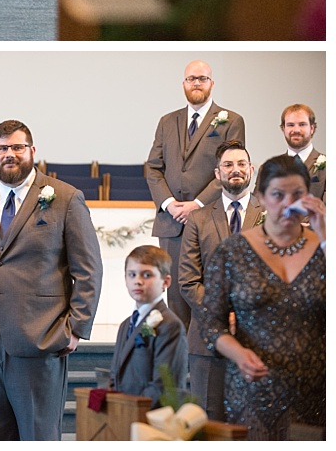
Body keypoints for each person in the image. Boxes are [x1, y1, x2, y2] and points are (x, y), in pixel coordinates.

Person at [0, 119, 102, 441]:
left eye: (17, 147)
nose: (10, 154)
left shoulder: (65, 197)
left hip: (38, 336)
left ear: (32, 151)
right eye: (3, 148)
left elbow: (88, 270)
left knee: (38, 435)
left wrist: (76, 328)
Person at [200, 154, 325, 439]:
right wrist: (238, 353)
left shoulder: (324, 248)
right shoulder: (233, 251)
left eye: (297, 194)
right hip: (252, 393)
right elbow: (210, 324)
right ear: (261, 197)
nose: (287, 204)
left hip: (316, 393)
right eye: (278, 195)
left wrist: (326, 234)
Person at [143, 60, 246, 326]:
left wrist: (197, 204)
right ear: (183, 84)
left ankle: (209, 357)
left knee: (211, 289)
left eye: (202, 78)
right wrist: (169, 204)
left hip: (210, 219)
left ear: (212, 83)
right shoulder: (167, 121)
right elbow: (153, 167)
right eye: (191, 79)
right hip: (172, 222)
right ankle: (181, 363)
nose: (196, 83)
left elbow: (229, 167)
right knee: (176, 295)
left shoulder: (231, 121)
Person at [178, 141, 263, 421]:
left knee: (254, 423)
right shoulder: (199, 219)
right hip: (207, 338)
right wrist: (221, 314)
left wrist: (243, 313)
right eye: (228, 165)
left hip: (258, 338)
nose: (235, 170)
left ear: (251, 170)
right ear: (217, 174)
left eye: (241, 164)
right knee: (209, 422)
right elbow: (189, 280)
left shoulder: (269, 216)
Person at [109, 245, 187, 402]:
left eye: (147, 275)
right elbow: (115, 376)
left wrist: (130, 410)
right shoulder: (125, 325)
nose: (137, 281)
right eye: (132, 274)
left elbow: (165, 386)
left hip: (149, 418)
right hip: (122, 418)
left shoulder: (170, 325)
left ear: (165, 282)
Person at [279, 104, 325, 201]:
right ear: (283, 129)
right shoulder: (267, 168)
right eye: (290, 125)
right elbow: (259, 208)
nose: (296, 130)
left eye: (302, 124)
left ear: (312, 128)